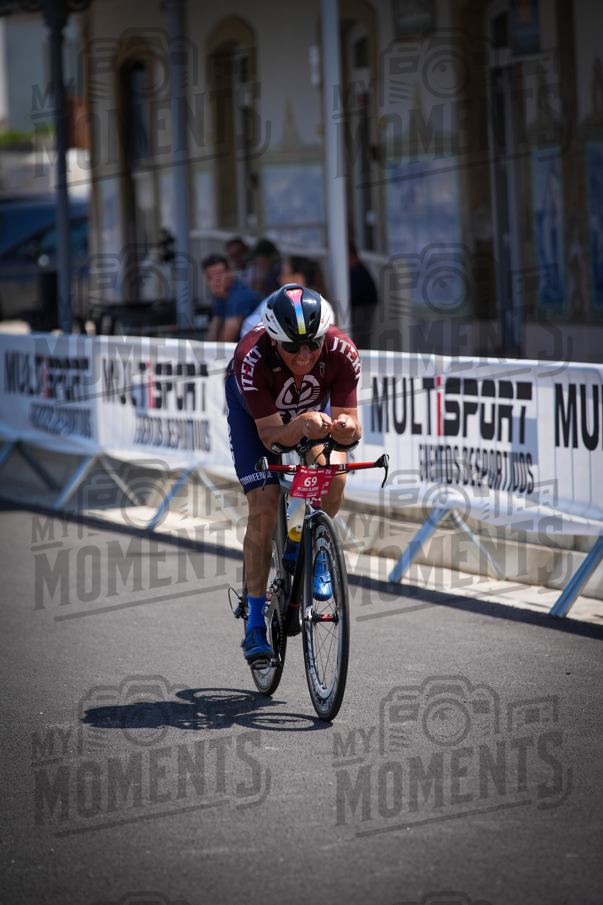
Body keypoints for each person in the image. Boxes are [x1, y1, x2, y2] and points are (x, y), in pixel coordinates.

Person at [225, 283, 362, 665]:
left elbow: (351, 422)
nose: (304, 355)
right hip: (258, 420)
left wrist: (347, 429)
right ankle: (254, 621)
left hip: (308, 418)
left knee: (334, 472)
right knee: (265, 507)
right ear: (273, 340)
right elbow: (270, 438)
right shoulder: (250, 357)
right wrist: (302, 423)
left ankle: (317, 547)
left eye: (312, 345)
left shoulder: (342, 351)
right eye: (291, 347)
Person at [240, 254, 334, 337]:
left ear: (296, 278)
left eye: (283, 274)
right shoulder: (324, 305)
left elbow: (247, 331)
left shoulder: (273, 302)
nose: (279, 279)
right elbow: (248, 330)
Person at [203, 254, 260, 342]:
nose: (215, 281)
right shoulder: (220, 294)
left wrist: (205, 353)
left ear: (229, 272)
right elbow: (214, 330)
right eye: (210, 277)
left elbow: (225, 343)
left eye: (219, 275)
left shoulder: (240, 295)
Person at [349, 241, 378, 350]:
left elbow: (354, 294)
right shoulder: (359, 270)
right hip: (362, 308)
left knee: (359, 339)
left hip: (362, 309)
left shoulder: (358, 272)